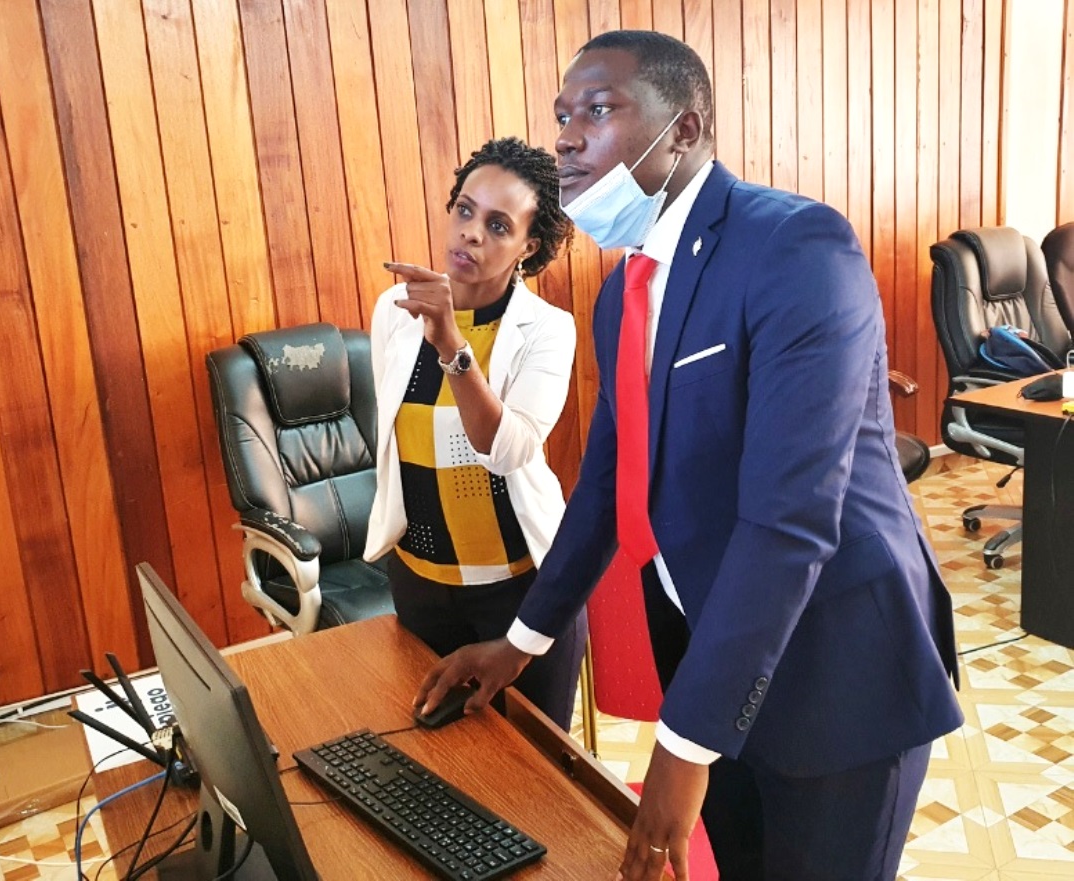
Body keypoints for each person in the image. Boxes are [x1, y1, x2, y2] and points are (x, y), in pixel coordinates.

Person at [415, 31, 963, 881]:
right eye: (562, 115)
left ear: (684, 129)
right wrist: (520, 642)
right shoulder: (618, 293)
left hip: (837, 673)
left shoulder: (795, 248)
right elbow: (605, 486)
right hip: (714, 653)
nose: (564, 136)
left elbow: (790, 520)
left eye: (597, 110)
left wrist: (685, 737)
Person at [364, 136, 585, 730]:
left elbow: (507, 449)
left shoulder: (548, 329)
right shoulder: (394, 310)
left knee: (538, 780)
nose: (470, 233)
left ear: (528, 246)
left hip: (518, 591)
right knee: (439, 766)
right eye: (464, 210)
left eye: (497, 224)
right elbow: (393, 436)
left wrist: (451, 343)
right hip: (419, 584)